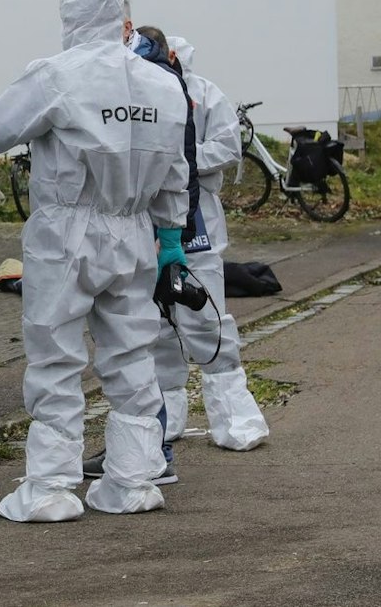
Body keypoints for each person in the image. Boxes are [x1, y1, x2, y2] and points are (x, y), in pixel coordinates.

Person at [0, 0, 189, 521]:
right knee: (132, 352)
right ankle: (133, 480)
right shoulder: (163, 85)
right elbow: (176, 170)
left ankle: (51, 488)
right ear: (119, 16)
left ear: (69, 17)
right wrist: (171, 235)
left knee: (55, 354)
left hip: (66, 230)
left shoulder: (56, 74)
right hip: (134, 229)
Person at [155, 35, 270, 452]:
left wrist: (179, 161)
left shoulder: (205, 95)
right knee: (156, 324)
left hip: (196, 216)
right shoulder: (139, 91)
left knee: (205, 316)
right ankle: (164, 416)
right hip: (148, 218)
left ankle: (234, 417)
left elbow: (227, 148)